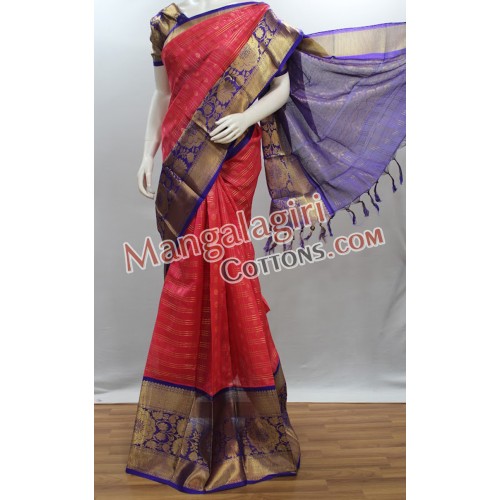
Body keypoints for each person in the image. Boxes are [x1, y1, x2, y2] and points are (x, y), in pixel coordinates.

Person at [125, 1, 406, 493]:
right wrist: (146, 153)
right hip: (181, 157)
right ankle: (192, 421)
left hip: (234, 153)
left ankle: (244, 419)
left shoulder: (255, 18)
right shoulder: (164, 25)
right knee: (189, 279)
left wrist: (245, 117)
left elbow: (281, 86)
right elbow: (161, 93)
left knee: (229, 272)